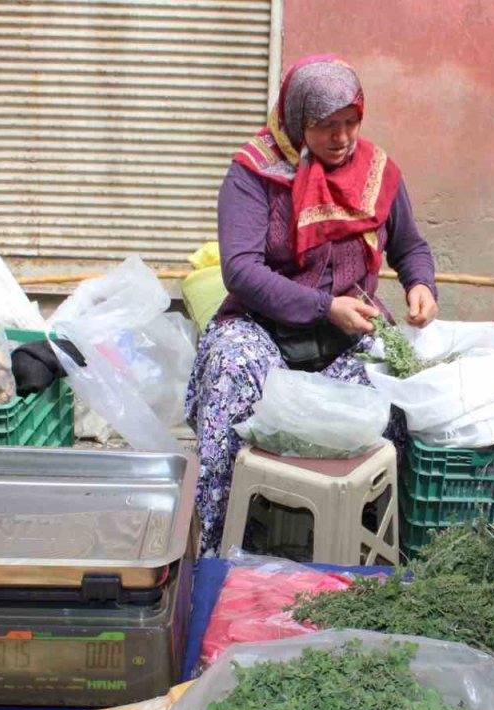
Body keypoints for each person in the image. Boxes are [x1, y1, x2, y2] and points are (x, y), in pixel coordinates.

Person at [186, 54, 438, 557]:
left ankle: (362, 545)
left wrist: (421, 285)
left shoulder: (378, 173)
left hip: (349, 334)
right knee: (229, 368)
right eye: (325, 126)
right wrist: (324, 306)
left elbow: (409, 246)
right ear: (297, 119)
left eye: (350, 123)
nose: (341, 138)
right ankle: (222, 545)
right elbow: (241, 270)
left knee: (398, 393)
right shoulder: (254, 174)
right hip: (263, 327)